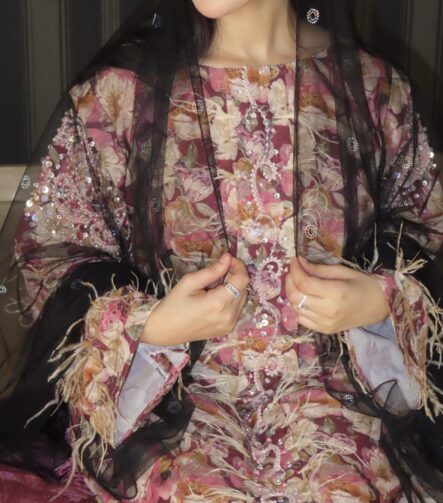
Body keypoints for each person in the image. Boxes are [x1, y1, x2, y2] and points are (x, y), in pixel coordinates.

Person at [0, 0, 442, 501]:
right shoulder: (120, 95)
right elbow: (49, 259)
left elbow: (425, 236)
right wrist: (150, 326)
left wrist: (379, 302)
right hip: (173, 408)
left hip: (340, 406)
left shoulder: (372, 87)